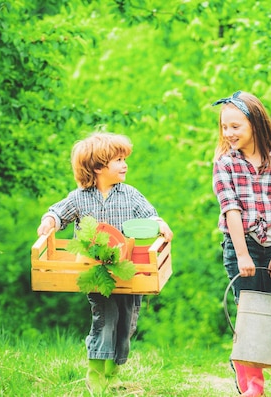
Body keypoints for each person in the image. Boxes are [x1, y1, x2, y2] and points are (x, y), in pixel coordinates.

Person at [36, 131, 173, 395]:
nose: (125, 164)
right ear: (98, 167)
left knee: (128, 321)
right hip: (96, 270)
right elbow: (58, 212)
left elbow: (149, 215)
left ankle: (113, 373)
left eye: (124, 159)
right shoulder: (79, 197)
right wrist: (49, 221)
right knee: (105, 318)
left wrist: (160, 224)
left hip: (127, 270)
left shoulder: (130, 194)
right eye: (118, 160)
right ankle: (96, 374)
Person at [212, 91, 271, 397]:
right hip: (240, 243)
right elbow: (230, 209)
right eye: (224, 127)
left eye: (236, 126)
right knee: (248, 312)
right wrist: (243, 254)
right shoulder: (224, 164)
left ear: (255, 124)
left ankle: (245, 363)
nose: (228, 133)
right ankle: (254, 387)